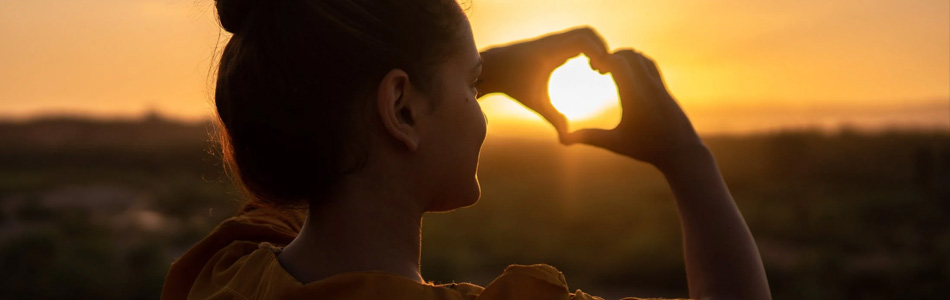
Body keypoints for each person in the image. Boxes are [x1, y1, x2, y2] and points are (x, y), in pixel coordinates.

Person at [161, 0, 772, 299]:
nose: (482, 114)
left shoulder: (229, 275)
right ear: (400, 108)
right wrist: (688, 159)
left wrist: (448, 75)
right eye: (474, 87)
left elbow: (330, 128)